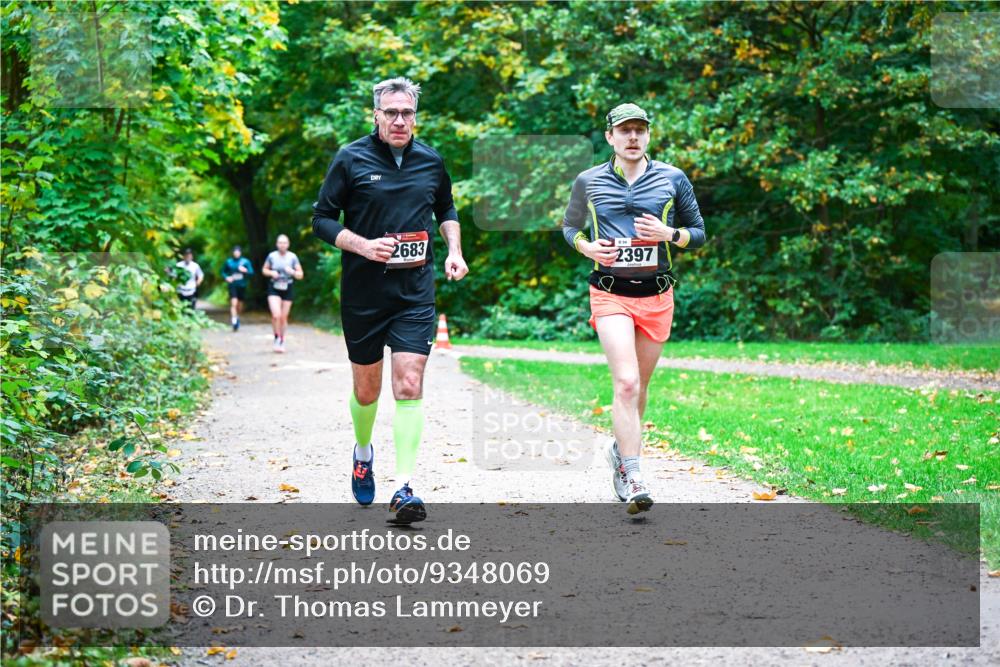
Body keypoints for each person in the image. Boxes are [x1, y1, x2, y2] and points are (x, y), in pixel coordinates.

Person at [312, 77, 468, 525]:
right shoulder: (351, 158)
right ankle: (363, 452)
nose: (400, 120)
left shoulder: (430, 161)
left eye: (407, 113)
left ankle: (403, 487)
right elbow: (322, 219)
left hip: (414, 292)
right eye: (391, 112)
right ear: (376, 115)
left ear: (416, 116)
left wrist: (454, 251)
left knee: (409, 384)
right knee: (367, 391)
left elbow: (447, 209)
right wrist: (362, 245)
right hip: (363, 293)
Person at [562, 103, 706, 515]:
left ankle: (620, 452)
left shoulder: (672, 178)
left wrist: (669, 233)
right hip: (609, 292)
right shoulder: (588, 181)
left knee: (639, 388)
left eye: (640, 130)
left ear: (648, 135)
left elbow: (698, 234)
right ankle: (635, 472)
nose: (632, 137)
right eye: (624, 130)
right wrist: (586, 246)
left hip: (657, 294)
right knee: (625, 383)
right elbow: (569, 227)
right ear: (609, 136)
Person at [262, 235, 303, 353]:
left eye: (284, 243)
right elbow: (264, 270)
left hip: (287, 288)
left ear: (288, 244)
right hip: (274, 287)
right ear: (276, 244)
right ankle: (276, 338)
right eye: (280, 243)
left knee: (284, 317)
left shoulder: (292, 257)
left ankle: (282, 339)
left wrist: (293, 272)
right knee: (276, 315)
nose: (282, 245)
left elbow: (300, 275)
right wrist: (271, 273)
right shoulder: (272, 256)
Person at [222, 245, 254, 331]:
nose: (236, 253)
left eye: (238, 252)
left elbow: (251, 272)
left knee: (240, 305)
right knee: (234, 303)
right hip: (232, 285)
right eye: (235, 252)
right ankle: (234, 320)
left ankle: (237, 316)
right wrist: (227, 277)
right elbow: (223, 272)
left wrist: (245, 270)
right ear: (233, 253)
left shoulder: (245, 262)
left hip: (242, 285)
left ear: (240, 253)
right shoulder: (228, 262)